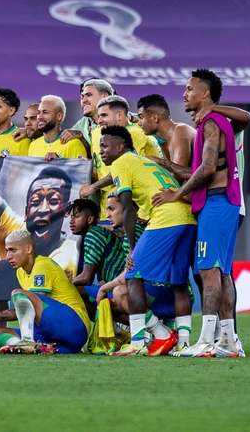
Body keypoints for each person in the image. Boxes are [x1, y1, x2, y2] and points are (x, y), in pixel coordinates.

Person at [151, 70, 241, 357]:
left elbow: (207, 168)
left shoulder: (212, 122)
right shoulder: (217, 120)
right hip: (225, 203)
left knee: (207, 271)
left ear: (205, 94)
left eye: (189, 89)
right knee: (222, 273)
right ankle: (227, 341)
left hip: (216, 204)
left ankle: (205, 341)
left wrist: (176, 194)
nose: (184, 94)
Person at [99, 125, 196, 356]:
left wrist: (132, 248)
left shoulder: (121, 163)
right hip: (189, 218)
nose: (101, 150)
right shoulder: (146, 161)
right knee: (179, 282)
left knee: (133, 276)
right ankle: (183, 343)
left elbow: (126, 208)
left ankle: (138, 343)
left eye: (104, 145)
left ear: (120, 146)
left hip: (166, 219)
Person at [0, 229, 91, 354]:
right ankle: (32, 347)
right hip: (55, 336)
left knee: (19, 293)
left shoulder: (42, 265)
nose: (8, 256)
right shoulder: (20, 272)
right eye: (7, 251)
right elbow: (29, 309)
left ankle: (27, 342)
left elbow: (34, 307)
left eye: (13, 250)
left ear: (28, 249)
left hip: (75, 327)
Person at [78, 96, 162, 225]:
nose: (99, 121)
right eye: (98, 116)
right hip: (109, 208)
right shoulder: (98, 133)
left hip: (139, 210)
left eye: (104, 115)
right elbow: (100, 168)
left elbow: (126, 169)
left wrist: (93, 187)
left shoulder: (134, 133)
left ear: (120, 115)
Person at [66, 198, 126, 318]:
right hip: (119, 286)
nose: (71, 221)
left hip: (123, 287)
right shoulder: (98, 232)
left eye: (76, 217)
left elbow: (86, 278)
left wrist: (63, 285)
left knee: (69, 293)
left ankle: (119, 330)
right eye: (71, 218)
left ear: (90, 219)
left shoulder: (93, 235)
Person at [136, 94, 196, 176]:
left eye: (141, 117)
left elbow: (178, 178)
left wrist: (159, 161)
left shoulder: (180, 131)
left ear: (155, 118)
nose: (139, 123)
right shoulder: (168, 140)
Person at [28, 95, 87, 160]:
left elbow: (80, 169)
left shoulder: (74, 144)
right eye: (38, 113)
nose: (39, 117)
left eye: (45, 112)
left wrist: (59, 161)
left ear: (59, 116)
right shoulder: (33, 146)